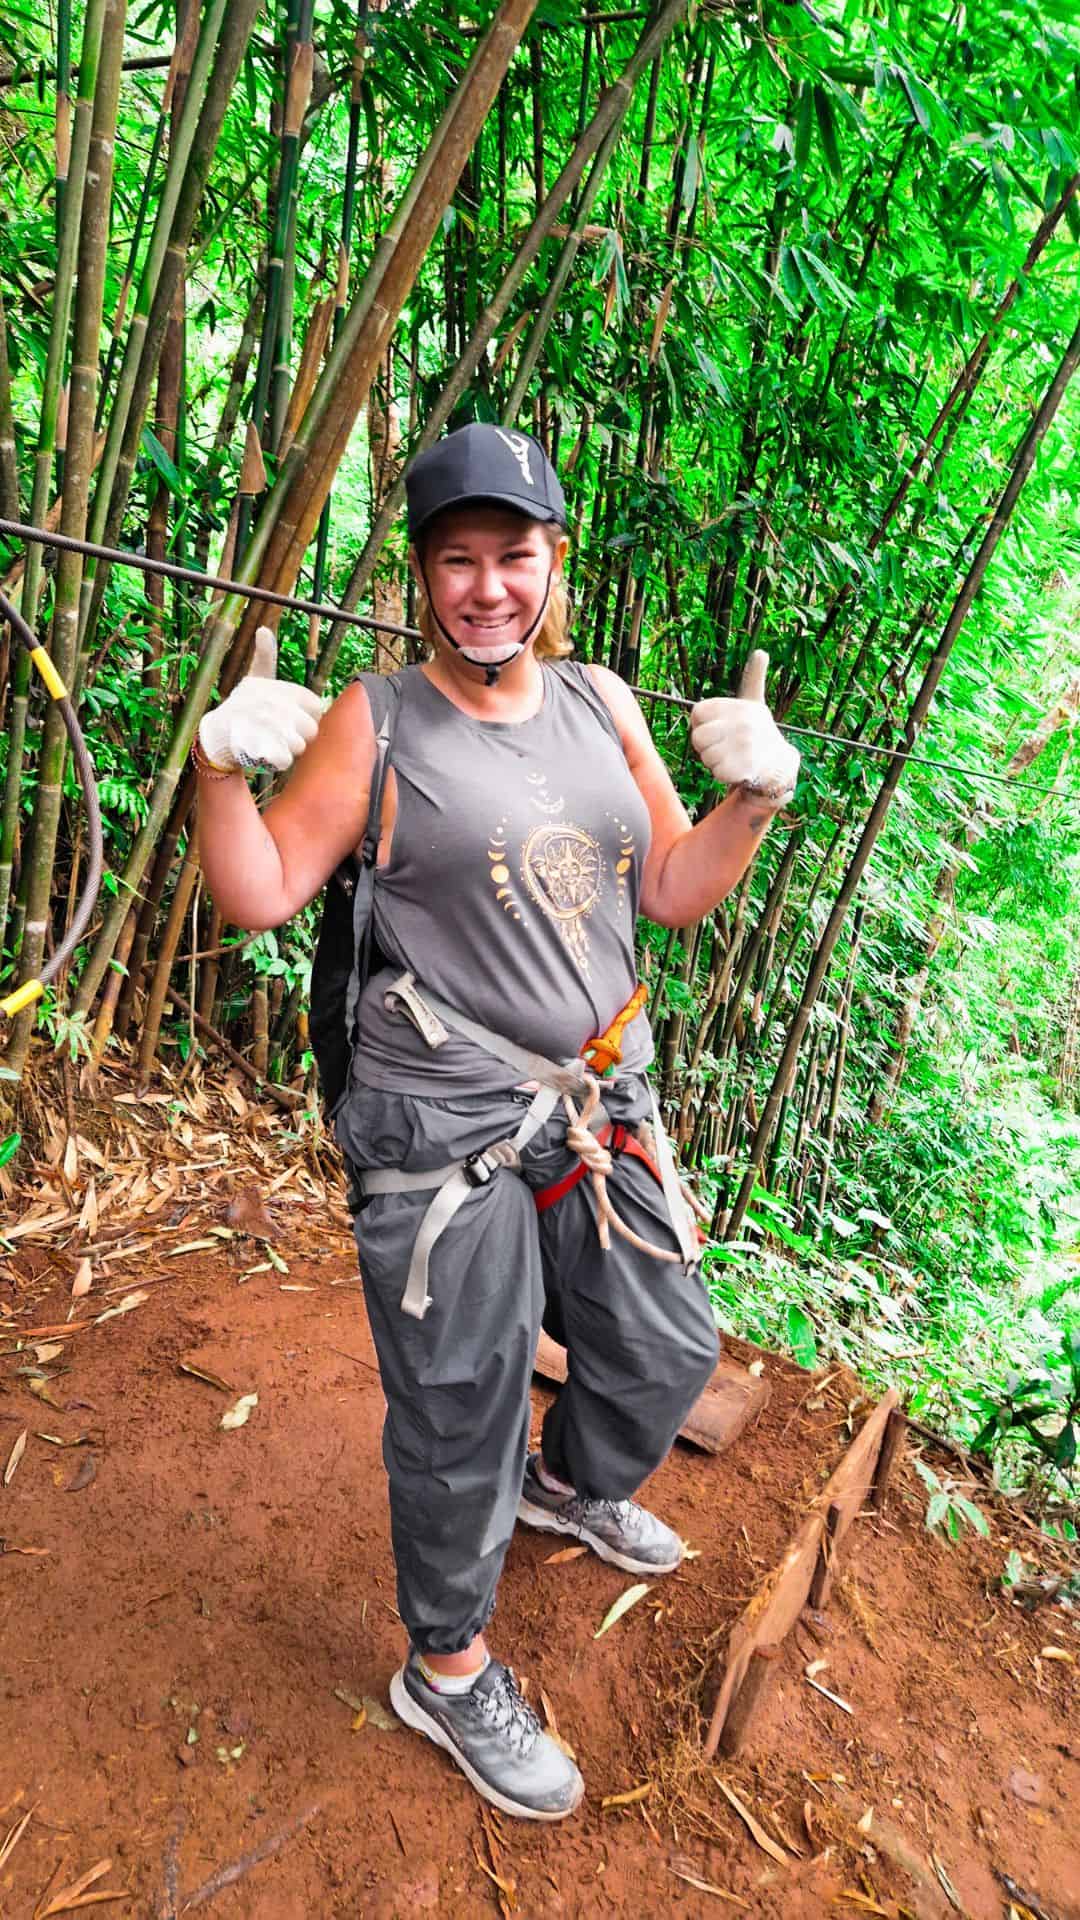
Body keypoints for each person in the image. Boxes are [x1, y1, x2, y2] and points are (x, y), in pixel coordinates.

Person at [196, 422, 799, 1822]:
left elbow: (671, 893)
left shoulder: (603, 703)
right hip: (439, 1112)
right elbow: (264, 892)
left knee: (663, 1343)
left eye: (512, 555)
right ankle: (449, 1666)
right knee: (457, 1398)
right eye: (456, 560)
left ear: (553, 565)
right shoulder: (380, 716)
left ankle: (567, 1482)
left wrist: (754, 799)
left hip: (597, 1092)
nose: (486, 586)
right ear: (423, 576)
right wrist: (221, 768)